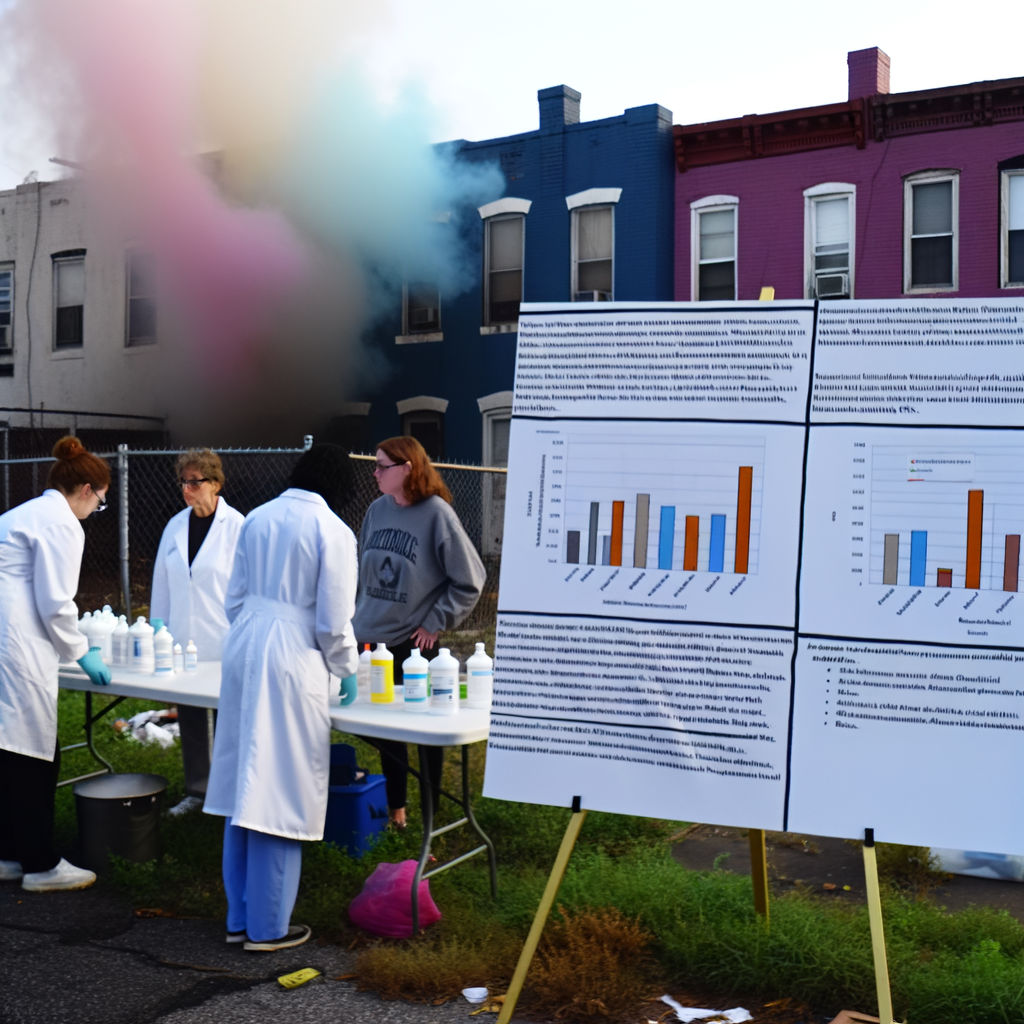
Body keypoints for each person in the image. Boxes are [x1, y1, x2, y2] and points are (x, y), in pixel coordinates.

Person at [204, 444, 359, 951]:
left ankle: (238, 918)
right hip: (292, 656)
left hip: (245, 644)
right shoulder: (333, 531)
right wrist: (347, 667)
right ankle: (268, 928)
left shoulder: (258, 518)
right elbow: (333, 622)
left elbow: (233, 598)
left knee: (240, 783)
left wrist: (255, 631)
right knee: (280, 786)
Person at [351, 436, 485, 829]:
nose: (374, 472)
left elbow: (470, 579)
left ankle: (431, 820)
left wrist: (436, 621)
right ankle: (397, 812)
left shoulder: (437, 514)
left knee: (425, 735)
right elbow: (362, 571)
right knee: (384, 730)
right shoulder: (377, 510)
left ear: (407, 468)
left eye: (381, 466)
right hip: (369, 642)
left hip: (413, 645)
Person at [0, 436, 112, 892]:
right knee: (33, 752)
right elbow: (56, 601)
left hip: (7, 636)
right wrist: (80, 651)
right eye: (100, 502)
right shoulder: (62, 523)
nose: (96, 510)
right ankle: (42, 865)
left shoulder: (25, 513)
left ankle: (8, 854)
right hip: (16, 642)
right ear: (86, 489)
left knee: (8, 750)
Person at [150, 449, 244, 815]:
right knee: (189, 715)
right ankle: (198, 790)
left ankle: (229, 793)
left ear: (215, 484)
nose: (187, 488)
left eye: (194, 481)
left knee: (227, 719)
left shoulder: (237, 526)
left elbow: (246, 587)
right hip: (181, 638)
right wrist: (158, 626)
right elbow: (162, 580)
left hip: (224, 638)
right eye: (183, 481)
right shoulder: (175, 526)